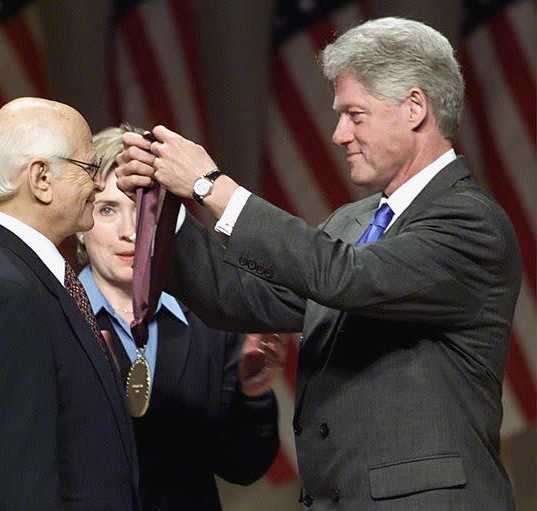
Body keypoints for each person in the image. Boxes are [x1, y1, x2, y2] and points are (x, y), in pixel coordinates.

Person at [115, 17, 522, 511]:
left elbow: (348, 278)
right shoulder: (352, 222)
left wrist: (212, 187)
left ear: (415, 108)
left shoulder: (469, 222)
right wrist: (165, 206)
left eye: (354, 114)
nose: (337, 134)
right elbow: (239, 297)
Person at [0, 98, 140, 510]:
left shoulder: (20, 271)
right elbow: (16, 489)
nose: (100, 184)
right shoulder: (3, 293)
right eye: (89, 169)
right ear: (41, 178)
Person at [74, 124, 282, 511]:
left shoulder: (210, 318)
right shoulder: (57, 318)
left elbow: (242, 467)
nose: (129, 233)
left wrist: (252, 398)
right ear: (81, 226)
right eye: (107, 209)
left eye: (143, 210)